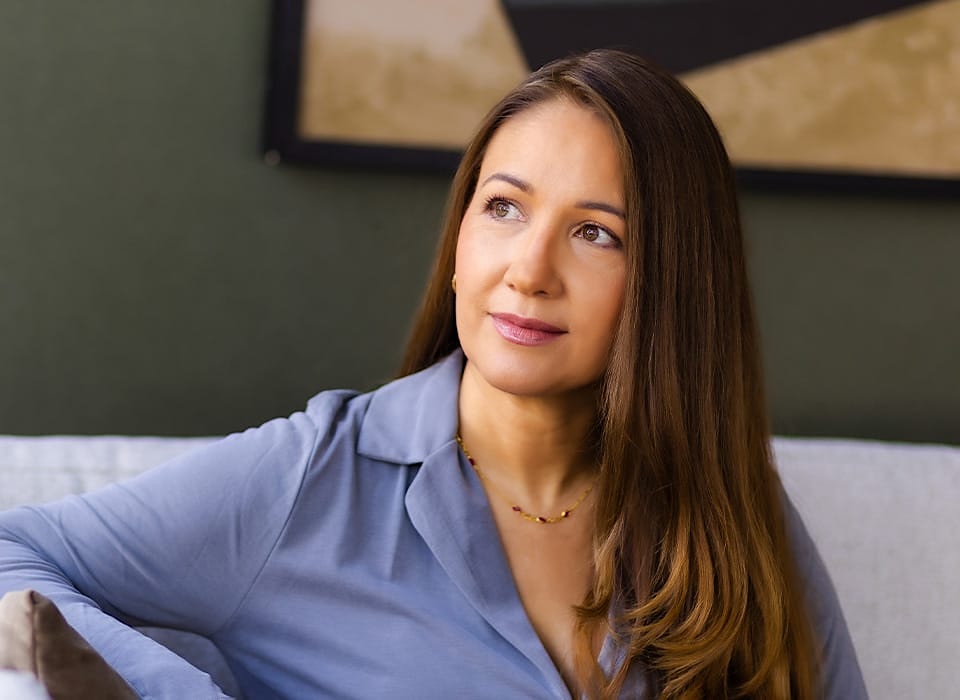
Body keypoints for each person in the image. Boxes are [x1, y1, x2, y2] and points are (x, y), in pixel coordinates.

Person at [0, 49, 866, 699]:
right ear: (459, 242)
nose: (528, 270)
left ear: (675, 285)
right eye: (504, 208)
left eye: (596, 231)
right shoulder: (311, 481)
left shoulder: (733, 513)